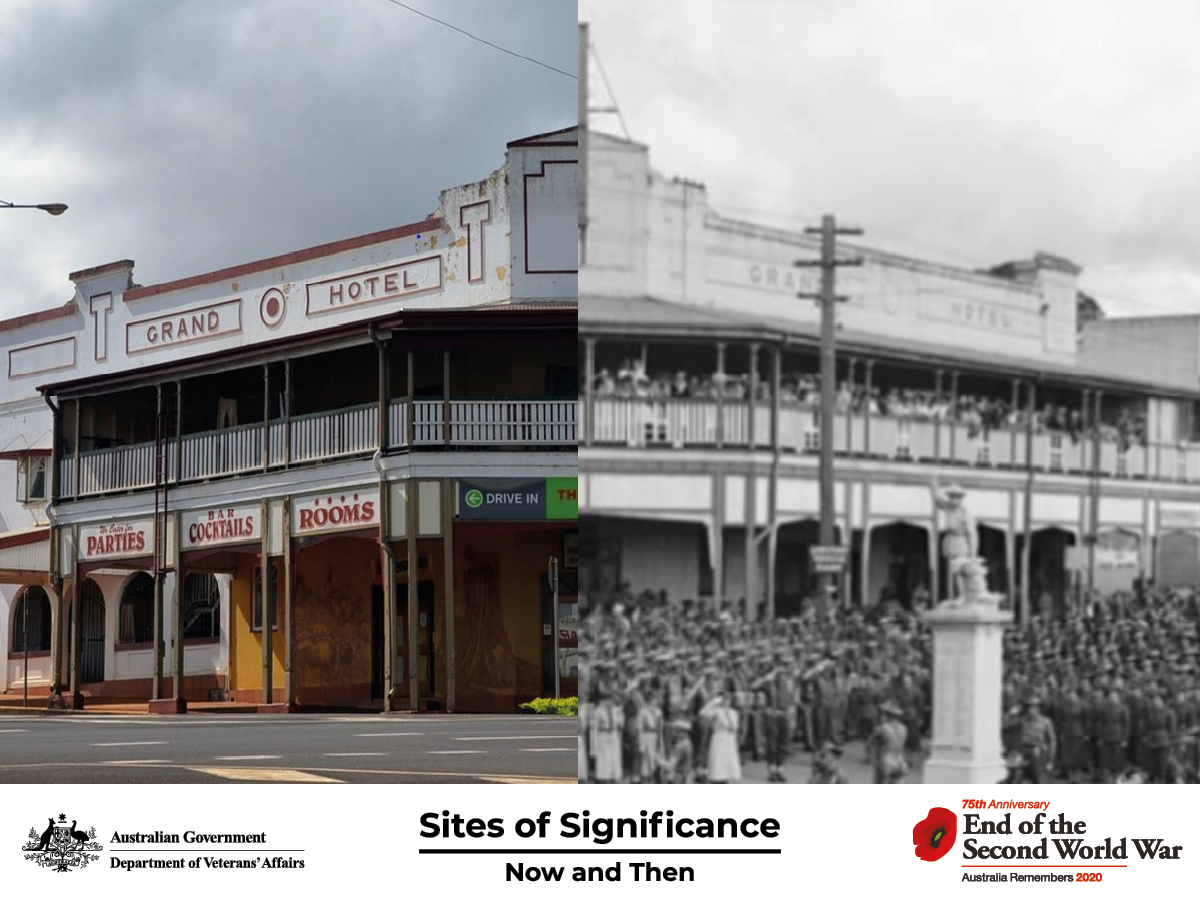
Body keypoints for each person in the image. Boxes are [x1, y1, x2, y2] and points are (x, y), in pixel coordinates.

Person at [933, 482, 976, 601]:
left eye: (956, 497)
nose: (953, 500)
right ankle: (953, 596)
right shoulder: (948, 507)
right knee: (950, 572)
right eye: (951, 496)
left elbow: (971, 533)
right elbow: (937, 500)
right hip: (950, 541)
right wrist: (935, 484)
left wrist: (972, 553)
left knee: (959, 571)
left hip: (960, 541)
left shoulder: (965, 513)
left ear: (961, 498)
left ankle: (962, 596)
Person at [1017, 697, 1057, 783]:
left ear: (1039, 708)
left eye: (1034, 707)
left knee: (1039, 781)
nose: (1031, 709)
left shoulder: (1046, 721)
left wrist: (1050, 760)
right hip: (1023, 754)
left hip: (1039, 756)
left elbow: (1052, 741)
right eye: (1029, 707)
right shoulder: (1022, 720)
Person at [867, 701, 909, 783]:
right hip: (900, 760)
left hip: (884, 761)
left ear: (886, 715)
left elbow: (869, 744)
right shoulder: (904, 728)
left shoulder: (881, 729)